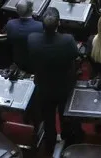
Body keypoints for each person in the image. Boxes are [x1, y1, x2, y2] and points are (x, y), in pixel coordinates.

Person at [27, 8, 80, 148]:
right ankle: (67, 140)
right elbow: (75, 56)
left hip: (43, 86)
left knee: (48, 117)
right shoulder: (68, 40)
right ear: (59, 23)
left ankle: (50, 142)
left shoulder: (32, 39)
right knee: (64, 116)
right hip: (64, 86)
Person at [5, 0, 43, 70]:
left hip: (17, 62)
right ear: (32, 10)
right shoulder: (40, 26)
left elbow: (9, 41)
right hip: (35, 64)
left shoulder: (10, 24)